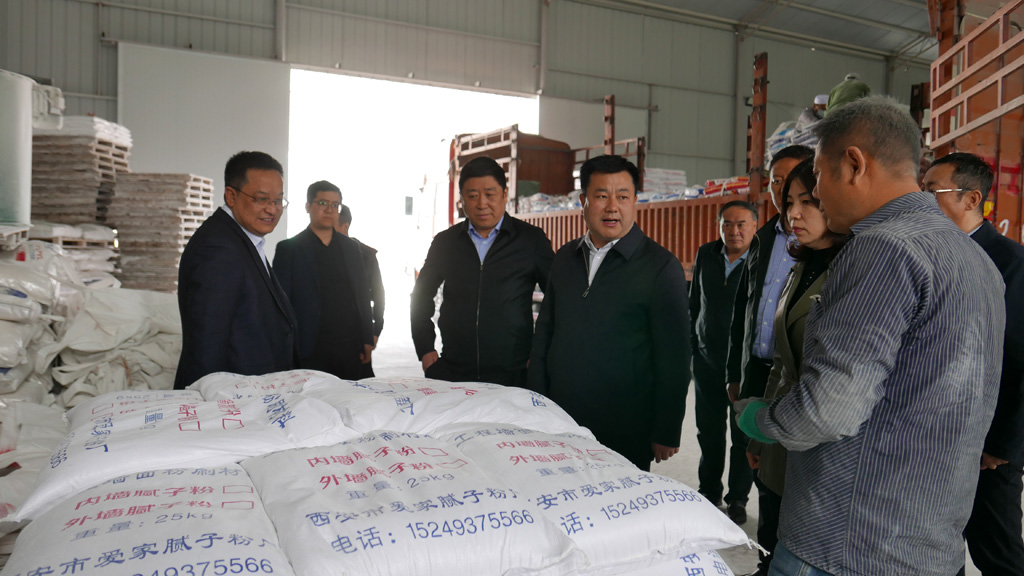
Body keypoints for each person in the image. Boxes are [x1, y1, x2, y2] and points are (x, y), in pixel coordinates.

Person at [737, 96, 1005, 576]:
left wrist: (761, 419)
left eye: (819, 176)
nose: (817, 194)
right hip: (929, 543)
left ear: (854, 164)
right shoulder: (975, 259)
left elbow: (827, 411)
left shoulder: (882, 249)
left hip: (845, 543)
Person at [528, 154, 690, 472]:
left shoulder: (660, 267)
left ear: (635, 201)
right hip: (561, 420)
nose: (612, 207)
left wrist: (666, 429)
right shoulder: (565, 258)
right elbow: (545, 332)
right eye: (602, 196)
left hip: (625, 425)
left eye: (623, 197)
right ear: (584, 201)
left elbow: (674, 358)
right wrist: (537, 402)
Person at [743, 157, 848, 576]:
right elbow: (780, 363)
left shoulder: (852, 270)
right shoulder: (801, 265)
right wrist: (758, 438)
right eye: (789, 202)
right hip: (779, 431)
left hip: (818, 440)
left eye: (809, 201)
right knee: (770, 535)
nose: (794, 213)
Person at [923, 153, 1024, 576]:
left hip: (985, 448)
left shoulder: (1011, 262)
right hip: (932, 437)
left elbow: (1019, 361)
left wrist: (1002, 446)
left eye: (933, 191)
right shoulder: (929, 254)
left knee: (997, 553)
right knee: (934, 551)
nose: (923, 200)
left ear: (971, 199)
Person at [726, 144, 812, 574]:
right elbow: (744, 310)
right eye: (777, 182)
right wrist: (736, 370)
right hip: (760, 371)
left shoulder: (826, 243)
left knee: (790, 473)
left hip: (798, 380)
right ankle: (767, 560)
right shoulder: (762, 238)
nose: (783, 191)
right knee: (759, 466)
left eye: (793, 183)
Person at [410, 156, 553, 386]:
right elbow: (420, 296)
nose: (482, 204)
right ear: (462, 199)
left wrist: (539, 354)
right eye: (473, 195)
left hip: (514, 375)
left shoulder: (530, 240)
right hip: (453, 373)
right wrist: (425, 349)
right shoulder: (445, 243)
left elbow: (557, 299)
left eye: (490, 194)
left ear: (504, 195)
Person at [175, 151, 298, 389]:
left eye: (278, 201)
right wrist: (210, 405)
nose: (272, 210)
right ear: (231, 196)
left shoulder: (244, 240)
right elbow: (207, 342)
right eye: (261, 199)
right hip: (230, 397)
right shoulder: (217, 250)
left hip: (254, 390)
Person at [690, 200, 757, 524]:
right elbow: (695, 302)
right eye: (727, 224)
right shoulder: (707, 254)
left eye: (741, 224)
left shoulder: (759, 260)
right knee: (708, 430)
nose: (734, 231)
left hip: (742, 364)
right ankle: (708, 491)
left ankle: (738, 499)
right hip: (706, 358)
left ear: (754, 226)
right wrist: (693, 345)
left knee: (741, 433)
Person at [273, 181, 374, 381]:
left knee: (348, 395)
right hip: (308, 346)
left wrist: (367, 339)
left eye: (335, 205)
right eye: (322, 203)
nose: (329, 210)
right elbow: (280, 305)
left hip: (348, 345)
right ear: (308, 206)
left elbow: (362, 294)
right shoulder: (289, 249)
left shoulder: (351, 248)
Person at [336, 204, 385, 378]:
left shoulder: (366, 255)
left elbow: (378, 296)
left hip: (356, 337)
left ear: (345, 226)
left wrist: (375, 332)